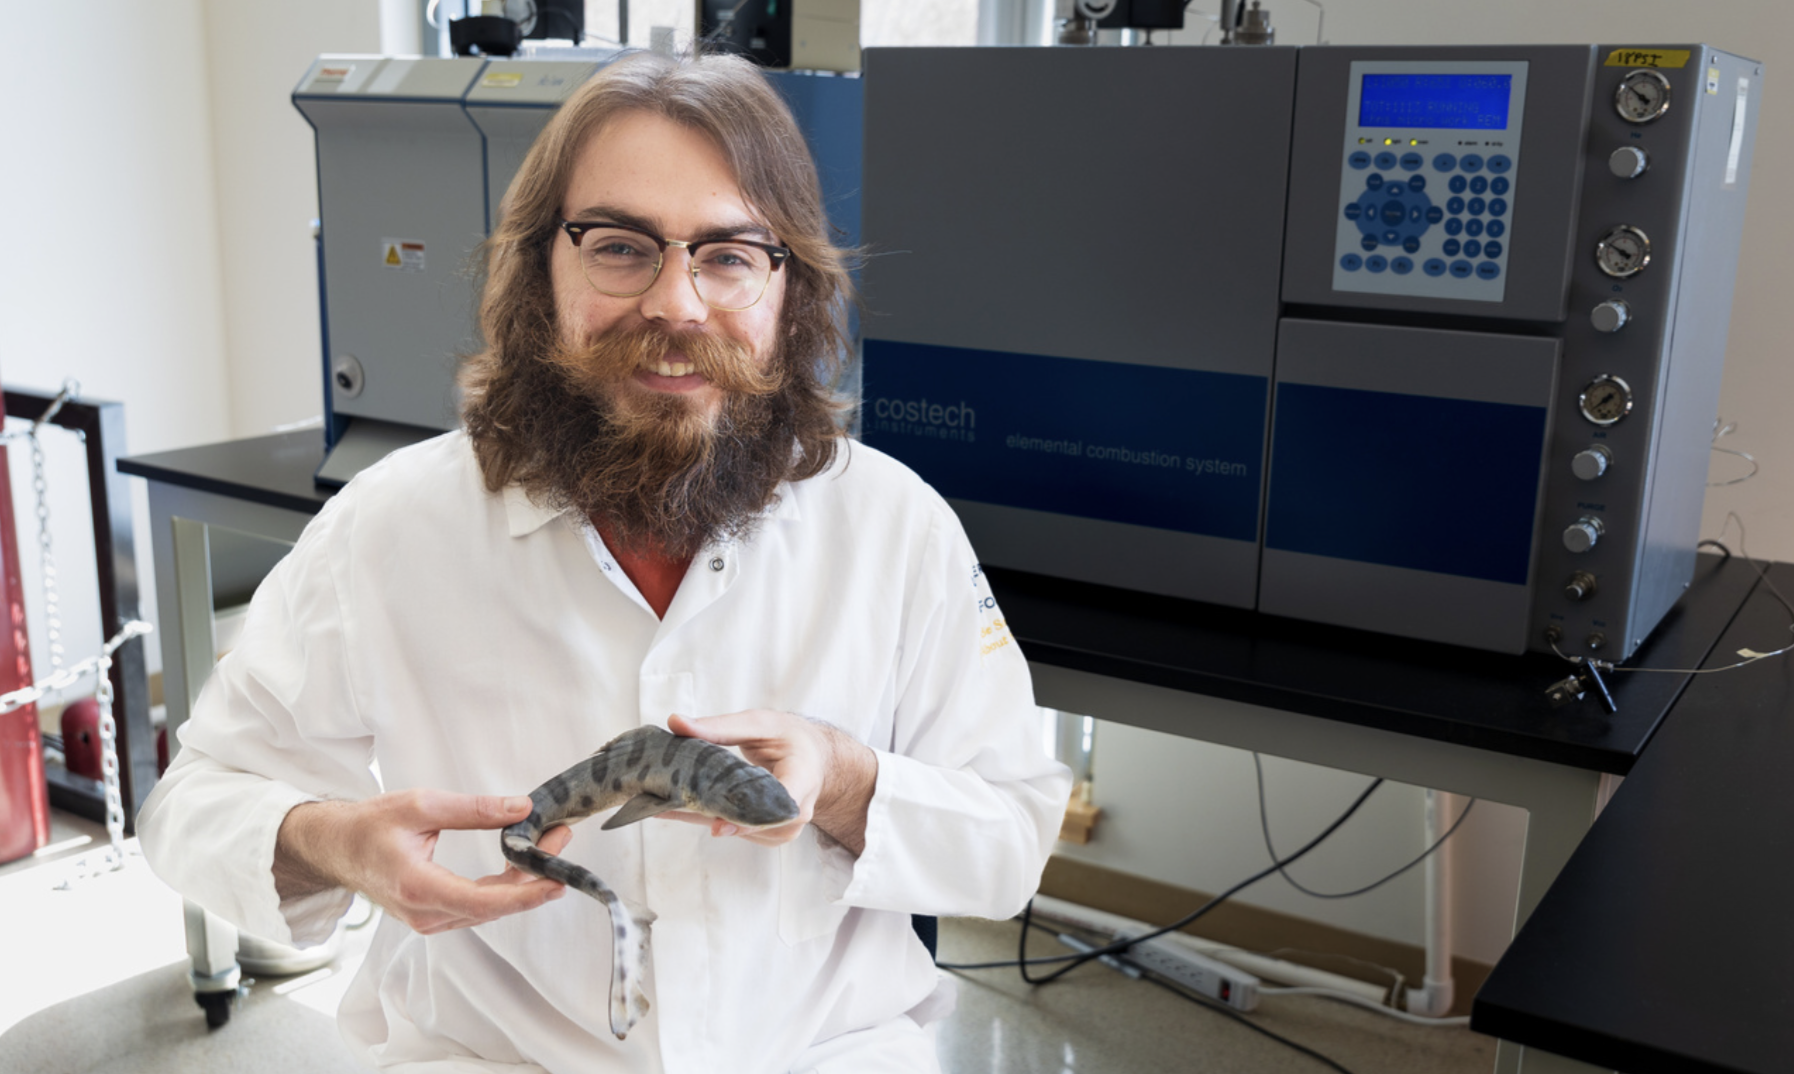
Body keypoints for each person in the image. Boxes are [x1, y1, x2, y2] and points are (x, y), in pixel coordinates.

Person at [138, 49, 1070, 1074]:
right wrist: (330, 843)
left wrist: (847, 780)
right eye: (621, 247)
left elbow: (1011, 837)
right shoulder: (396, 523)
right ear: (543, 270)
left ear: (788, 289)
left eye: (728, 254)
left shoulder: (893, 525)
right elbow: (193, 803)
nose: (677, 304)